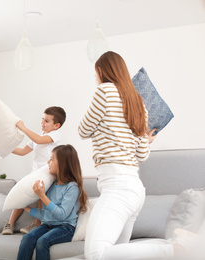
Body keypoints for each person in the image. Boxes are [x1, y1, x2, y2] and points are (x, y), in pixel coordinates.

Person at [78, 51, 191, 260]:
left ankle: (173, 249)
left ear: (102, 71)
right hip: (135, 190)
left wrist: (103, 127)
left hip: (116, 187)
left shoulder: (104, 91)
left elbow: (83, 130)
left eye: (96, 74)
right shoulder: (138, 103)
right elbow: (141, 154)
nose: (96, 78)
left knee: (95, 254)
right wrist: (145, 140)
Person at [2, 106, 66, 235]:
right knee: (21, 195)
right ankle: (10, 223)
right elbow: (22, 152)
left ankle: (37, 224)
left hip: (48, 172)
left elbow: (40, 140)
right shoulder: (38, 136)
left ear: (56, 125)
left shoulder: (55, 135)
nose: (42, 122)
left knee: (41, 197)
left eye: (47, 121)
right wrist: (5, 147)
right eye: (42, 119)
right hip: (35, 172)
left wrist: (23, 127)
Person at [17, 144, 88, 260]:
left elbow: (61, 215)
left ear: (62, 163)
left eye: (51, 159)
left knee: (42, 241)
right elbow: (46, 214)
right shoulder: (51, 185)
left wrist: (42, 196)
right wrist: (26, 208)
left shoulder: (72, 187)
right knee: (27, 238)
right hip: (48, 225)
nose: (48, 162)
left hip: (65, 228)